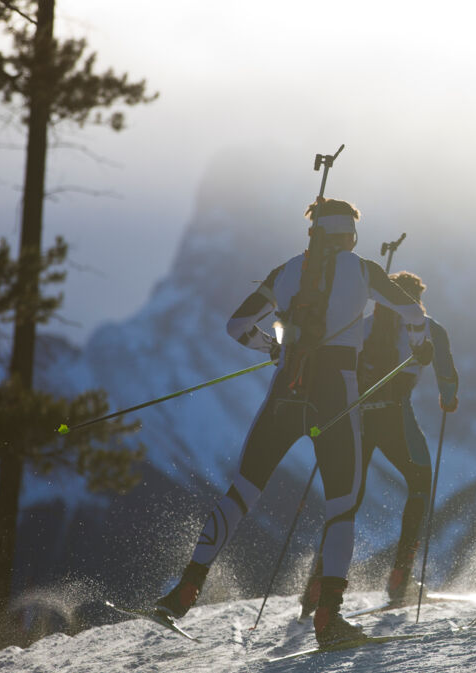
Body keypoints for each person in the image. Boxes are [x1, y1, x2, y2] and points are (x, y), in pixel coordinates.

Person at [152, 198, 432, 646]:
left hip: (285, 392)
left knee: (241, 492)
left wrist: (271, 347)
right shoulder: (364, 272)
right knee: (342, 506)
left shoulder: (286, 272)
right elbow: (414, 315)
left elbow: (237, 325)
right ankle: (329, 620)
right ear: (349, 235)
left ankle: (183, 590)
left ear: (314, 234)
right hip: (335, 396)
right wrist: (419, 347)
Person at [299, 270, 459, 617]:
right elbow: (446, 375)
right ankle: (400, 577)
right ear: (416, 298)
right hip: (394, 417)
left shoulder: (360, 325)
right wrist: (448, 398)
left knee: (347, 498)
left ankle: (318, 582)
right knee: (419, 484)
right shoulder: (429, 328)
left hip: (355, 417)